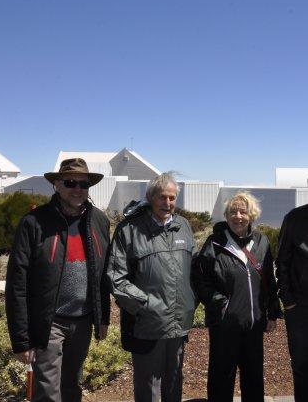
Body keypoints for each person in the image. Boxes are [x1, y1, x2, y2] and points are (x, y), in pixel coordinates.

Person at [5, 158, 110, 402]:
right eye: (70, 182)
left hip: (83, 321)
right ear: (56, 185)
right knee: (48, 392)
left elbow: (103, 275)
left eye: (83, 184)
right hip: (49, 322)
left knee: (72, 386)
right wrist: (22, 340)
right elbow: (17, 284)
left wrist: (102, 316)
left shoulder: (99, 221)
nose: (77, 189)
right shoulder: (34, 223)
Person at [107, 172, 197, 402]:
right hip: (147, 324)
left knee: (174, 383)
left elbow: (196, 271)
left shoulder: (183, 226)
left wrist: (190, 302)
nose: (167, 203)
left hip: (178, 324)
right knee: (149, 389)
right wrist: (147, 306)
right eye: (162, 197)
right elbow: (116, 277)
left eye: (172, 198)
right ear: (150, 197)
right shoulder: (129, 230)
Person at [192, 191, 281, 402]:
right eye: (233, 211)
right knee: (221, 379)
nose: (238, 216)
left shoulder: (261, 242)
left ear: (252, 215)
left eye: (243, 211)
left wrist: (272, 313)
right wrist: (220, 304)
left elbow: (269, 279)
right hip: (225, 325)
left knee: (254, 379)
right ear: (226, 215)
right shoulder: (214, 244)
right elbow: (199, 280)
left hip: (254, 324)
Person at [276, 203, 308, 402]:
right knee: (302, 367)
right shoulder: (294, 218)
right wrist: (288, 301)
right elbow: (282, 261)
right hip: (300, 309)